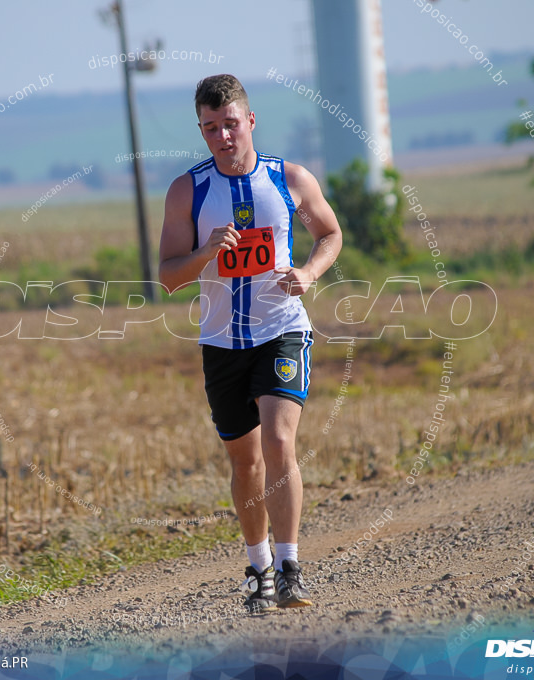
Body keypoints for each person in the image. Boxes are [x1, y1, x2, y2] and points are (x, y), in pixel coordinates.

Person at [158, 74, 342, 611]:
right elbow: (168, 277)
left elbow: (329, 234)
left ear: (251, 121)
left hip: (282, 328)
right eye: (210, 128)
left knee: (278, 443)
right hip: (220, 341)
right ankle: (258, 567)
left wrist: (309, 273)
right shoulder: (187, 192)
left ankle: (290, 567)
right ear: (202, 130)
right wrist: (206, 253)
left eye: (231, 124)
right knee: (245, 464)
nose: (223, 137)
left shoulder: (289, 180)